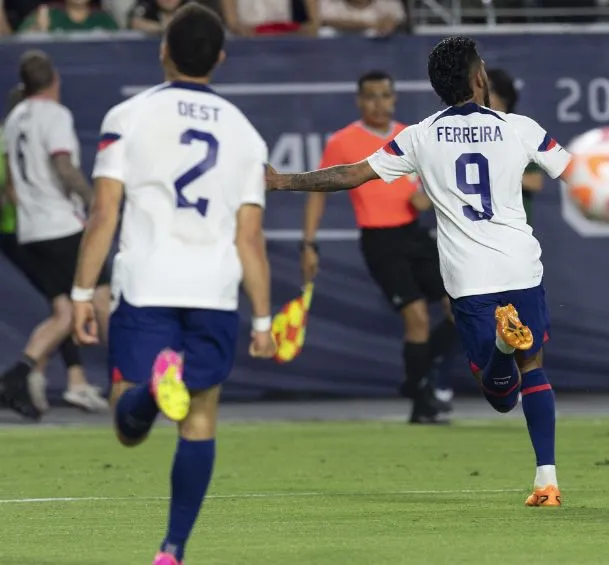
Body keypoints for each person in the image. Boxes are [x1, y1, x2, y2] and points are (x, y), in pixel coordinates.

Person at [267, 35, 569, 507]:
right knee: (533, 371)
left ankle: (502, 344)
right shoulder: (521, 128)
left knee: (499, 395)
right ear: (478, 78)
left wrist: (283, 181)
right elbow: (575, 171)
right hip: (520, 266)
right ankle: (546, 481)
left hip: (469, 279)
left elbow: (350, 174)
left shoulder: (420, 135)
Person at [70, 5, 276, 564]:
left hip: (148, 283)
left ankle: (152, 392)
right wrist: (262, 319)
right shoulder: (246, 135)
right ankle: (172, 550)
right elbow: (250, 239)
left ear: (164, 49)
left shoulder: (128, 116)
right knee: (201, 419)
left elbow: (104, 213)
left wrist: (82, 294)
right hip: (213, 289)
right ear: (222, 58)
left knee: (126, 426)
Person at [302, 70, 455, 424]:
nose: (379, 103)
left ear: (394, 98)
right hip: (380, 240)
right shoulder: (342, 141)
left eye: (385, 95)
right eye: (371, 96)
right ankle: (421, 402)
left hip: (414, 234)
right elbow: (317, 196)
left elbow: (431, 185)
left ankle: (417, 374)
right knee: (416, 317)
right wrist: (308, 244)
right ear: (359, 101)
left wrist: (427, 197)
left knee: (459, 307)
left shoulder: (409, 136)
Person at [1, 50, 113, 420]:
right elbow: (63, 166)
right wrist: (95, 202)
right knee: (103, 298)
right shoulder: (55, 115)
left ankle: (18, 375)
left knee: (65, 312)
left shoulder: (15, 118)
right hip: (61, 224)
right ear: (55, 81)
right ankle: (134, 376)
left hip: (32, 230)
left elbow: (11, 185)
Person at [485, 68, 544, 225]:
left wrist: (496, 174)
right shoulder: (468, 132)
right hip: (477, 231)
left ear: (503, 96)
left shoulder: (520, 131)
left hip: (513, 230)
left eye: (487, 90)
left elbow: (535, 182)